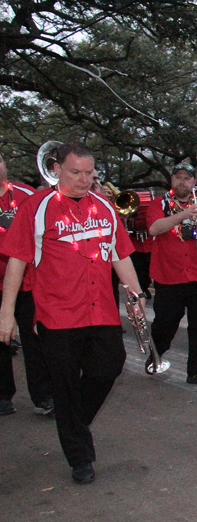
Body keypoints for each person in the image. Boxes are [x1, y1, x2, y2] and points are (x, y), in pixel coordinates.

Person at [0, 141, 145, 484]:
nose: (83, 179)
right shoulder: (36, 207)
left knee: (110, 366)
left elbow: (119, 254)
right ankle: (80, 457)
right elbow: (17, 262)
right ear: (57, 169)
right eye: (75, 172)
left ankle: (73, 421)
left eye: (89, 172)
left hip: (102, 312)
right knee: (64, 385)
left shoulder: (106, 208)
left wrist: (136, 294)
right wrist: (7, 314)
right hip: (57, 315)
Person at [145, 163, 197, 385]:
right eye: (178, 178)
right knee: (164, 325)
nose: (182, 182)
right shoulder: (160, 203)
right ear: (172, 181)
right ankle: (156, 357)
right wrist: (183, 214)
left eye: (187, 178)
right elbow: (154, 228)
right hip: (169, 276)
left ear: (194, 183)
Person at [0, 152, 54, 417]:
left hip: (27, 282)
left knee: (35, 339)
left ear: (5, 165)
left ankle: (43, 396)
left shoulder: (25, 194)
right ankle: (2, 395)